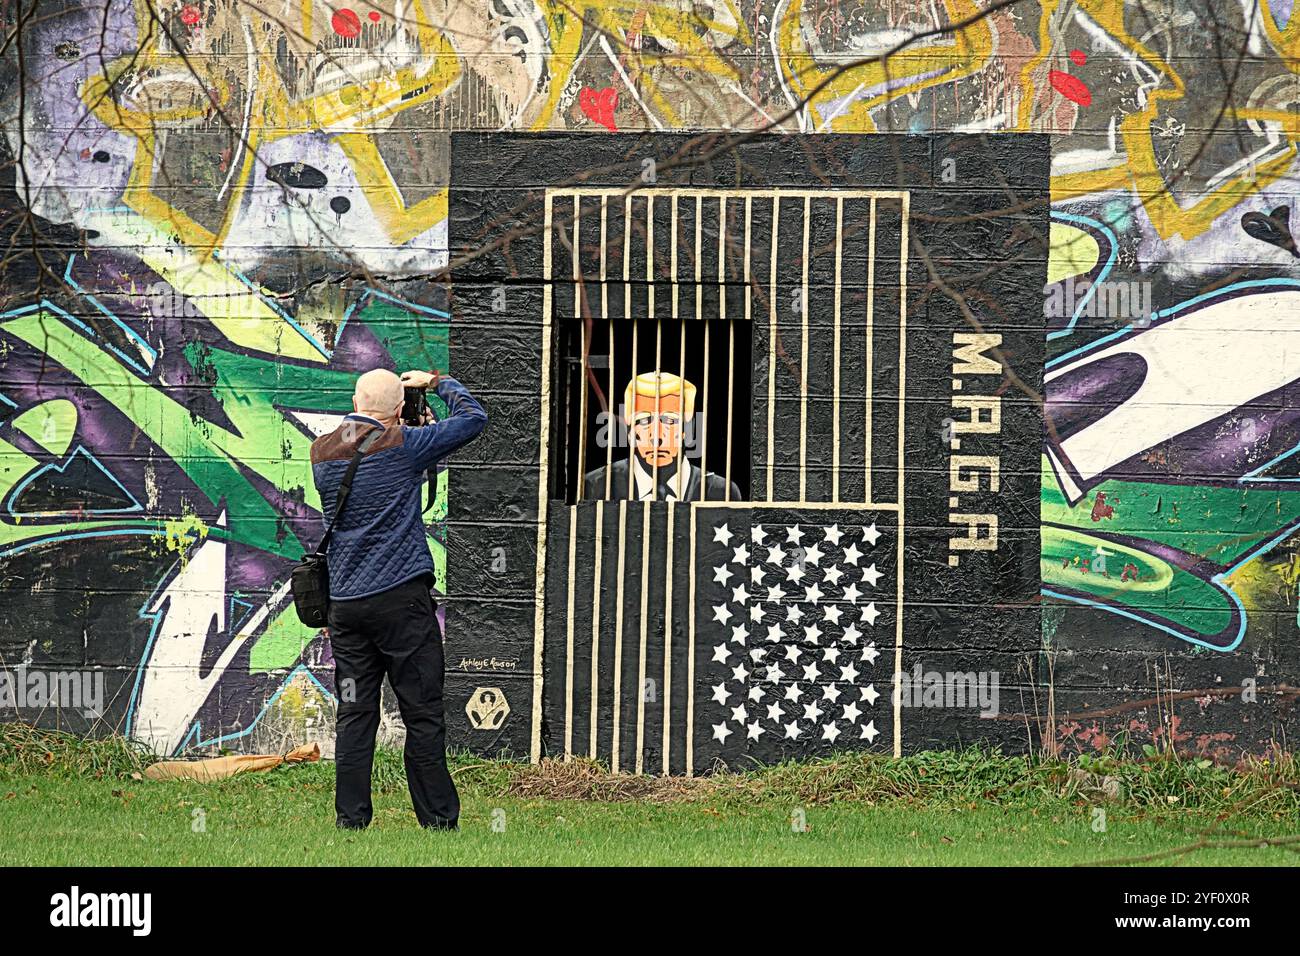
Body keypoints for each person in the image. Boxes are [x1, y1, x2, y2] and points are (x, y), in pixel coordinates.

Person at [311, 367, 487, 830]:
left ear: (354, 398)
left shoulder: (321, 451)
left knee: (354, 715)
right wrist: (437, 384)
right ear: (396, 409)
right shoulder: (405, 445)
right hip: (401, 603)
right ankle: (438, 820)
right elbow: (474, 418)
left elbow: (365, 452)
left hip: (346, 606)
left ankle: (351, 820)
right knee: (422, 714)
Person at [583, 371, 742, 501]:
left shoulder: (719, 492)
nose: (656, 436)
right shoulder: (596, 485)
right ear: (631, 433)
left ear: (685, 431)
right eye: (644, 420)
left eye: (670, 420)